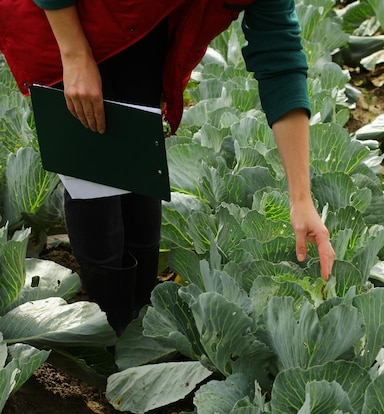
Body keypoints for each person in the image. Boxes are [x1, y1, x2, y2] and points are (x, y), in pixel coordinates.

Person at [0, 0, 335, 335]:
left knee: (140, 172)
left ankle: (138, 321)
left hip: (143, 25)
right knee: (95, 179)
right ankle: (113, 327)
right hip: (60, 19)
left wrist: (301, 198)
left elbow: (280, 59)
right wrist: (74, 54)